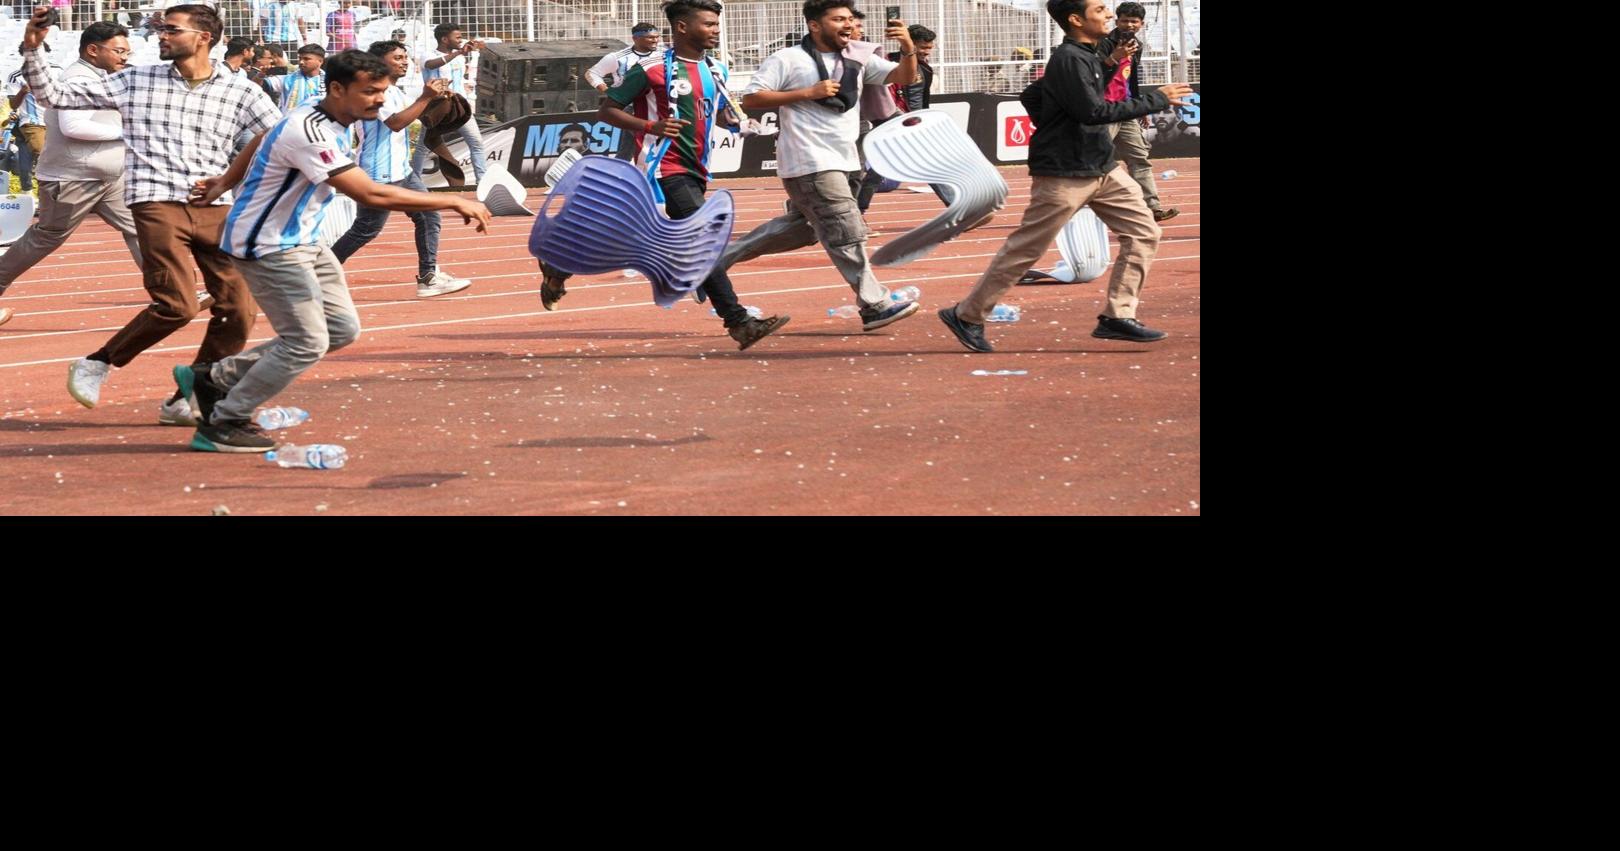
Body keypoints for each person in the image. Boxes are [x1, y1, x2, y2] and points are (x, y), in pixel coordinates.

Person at [178, 48, 492, 452]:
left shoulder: (330, 113)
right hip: (267, 245)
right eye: (370, 92)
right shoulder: (309, 131)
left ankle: (214, 377)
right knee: (305, 342)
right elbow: (368, 193)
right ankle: (224, 420)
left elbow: (260, 138)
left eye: (383, 90)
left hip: (303, 239)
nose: (379, 99)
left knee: (341, 330)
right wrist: (451, 200)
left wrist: (224, 181)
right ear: (338, 89)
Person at [21, 4, 284, 422]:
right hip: (156, 201)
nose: (160, 36)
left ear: (204, 37)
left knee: (238, 307)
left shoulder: (241, 90)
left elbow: (280, 136)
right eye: (160, 29)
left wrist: (232, 179)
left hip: (215, 205)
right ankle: (99, 362)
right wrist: (33, 49)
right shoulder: (135, 80)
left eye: (171, 30)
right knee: (177, 305)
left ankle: (192, 395)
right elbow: (53, 96)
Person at [936, 0, 1192, 352]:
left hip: (1102, 167)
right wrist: (1155, 100)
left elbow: (1034, 96)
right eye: (1100, 9)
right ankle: (966, 315)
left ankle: (1117, 315)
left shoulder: (1095, 55)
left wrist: (1057, 119)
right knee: (1026, 250)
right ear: (1075, 19)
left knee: (1145, 231)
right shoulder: (1069, 58)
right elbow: (1093, 111)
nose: (1108, 15)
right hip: (1064, 173)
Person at [710, 0, 923, 334]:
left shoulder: (856, 58)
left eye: (851, 19)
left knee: (804, 229)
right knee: (846, 232)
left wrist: (907, 48)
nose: (849, 25)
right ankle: (874, 304)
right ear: (814, 25)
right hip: (809, 161)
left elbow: (902, 77)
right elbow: (751, 99)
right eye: (839, 19)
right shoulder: (788, 59)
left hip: (846, 159)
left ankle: (714, 264)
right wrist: (807, 92)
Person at [0, 22, 143, 331]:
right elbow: (73, 127)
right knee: (46, 237)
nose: (125, 56)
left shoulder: (100, 76)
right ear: (93, 50)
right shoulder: (77, 78)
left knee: (140, 227)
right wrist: (128, 133)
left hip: (106, 178)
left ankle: (171, 292)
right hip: (73, 179)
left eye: (127, 51)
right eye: (119, 50)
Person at [329, 40, 471, 299]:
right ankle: (319, 273)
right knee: (365, 230)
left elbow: (415, 114)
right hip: (380, 174)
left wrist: (437, 100)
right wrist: (426, 97)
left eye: (405, 57)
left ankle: (428, 277)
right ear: (378, 63)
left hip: (401, 172)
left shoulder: (393, 90)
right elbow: (396, 122)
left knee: (429, 216)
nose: (405, 61)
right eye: (397, 57)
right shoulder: (373, 91)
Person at [1096, 2, 1177, 221]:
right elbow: (1093, 76)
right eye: (1124, 20)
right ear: (1117, 21)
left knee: (1139, 159)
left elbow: (1130, 79)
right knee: (1095, 159)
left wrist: (1140, 107)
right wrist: (1114, 55)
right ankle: (1080, 208)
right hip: (1103, 110)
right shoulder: (1103, 42)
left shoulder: (1137, 45)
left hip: (1126, 110)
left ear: (1142, 24)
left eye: (1134, 21)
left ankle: (1152, 208)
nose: (1129, 25)